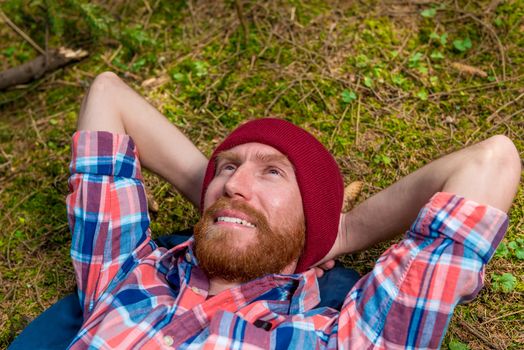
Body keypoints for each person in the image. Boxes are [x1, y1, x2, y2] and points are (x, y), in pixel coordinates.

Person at [16, 71, 523, 349]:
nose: (236, 181)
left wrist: (336, 233)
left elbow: (491, 160)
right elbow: (108, 93)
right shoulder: (125, 273)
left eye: (272, 172)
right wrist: (226, 201)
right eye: (227, 167)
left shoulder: (346, 337)